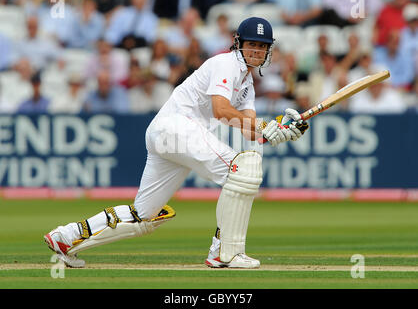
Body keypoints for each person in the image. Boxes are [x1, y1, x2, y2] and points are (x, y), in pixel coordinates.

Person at [44, 17, 309, 269]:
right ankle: (225, 252)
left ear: (268, 52)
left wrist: (280, 130)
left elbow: (248, 129)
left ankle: (66, 237)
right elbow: (221, 111)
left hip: (168, 136)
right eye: (252, 44)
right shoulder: (226, 64)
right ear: (238, 42)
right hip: (176, 128)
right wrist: (263, 126)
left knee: (144, 217)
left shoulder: (247, 84)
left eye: (262, 47)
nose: (256, 51)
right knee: (243, 169)